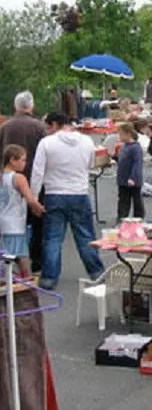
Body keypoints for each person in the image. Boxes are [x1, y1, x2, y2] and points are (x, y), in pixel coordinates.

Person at [31, 113, 105, 290]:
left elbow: (38, 172)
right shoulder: (86, 141)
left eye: (48, 127)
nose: (47, 131)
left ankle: (49, 278)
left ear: (55, 124)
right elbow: (90, 164)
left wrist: (34, 199)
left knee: (53, 238)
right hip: (79, 193)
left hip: (54, 194)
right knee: (85, 236)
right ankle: (97, 272)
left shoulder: (47, 143)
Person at [0, 90, 47, 272]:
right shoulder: (39, 127)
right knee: (37, 226)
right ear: (31, 106)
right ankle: (34, 265)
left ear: (16, 106)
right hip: (34, 182)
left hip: (6, 180)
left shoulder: (5, 127)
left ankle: (9, 271)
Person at [0, 145, 45, 277]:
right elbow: (30, 199)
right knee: (21, 256)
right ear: (13, 160)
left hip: (2, 221)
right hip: (14, 224)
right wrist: (40, 209)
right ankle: (26, 284)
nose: (25, 164)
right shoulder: (19, 178)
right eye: (23, 160)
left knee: (4, 256)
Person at [117, 123, 145, 220]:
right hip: (123, 179)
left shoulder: (136, 148)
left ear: (128, 134)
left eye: (121, 134)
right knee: (123, 200)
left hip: (133, 180)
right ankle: (121, 218)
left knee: (137, 200)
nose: (119, 137)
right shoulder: (124, 146)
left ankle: (139, 219)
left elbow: (137, 164)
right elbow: (122, 160)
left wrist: (133, 178)